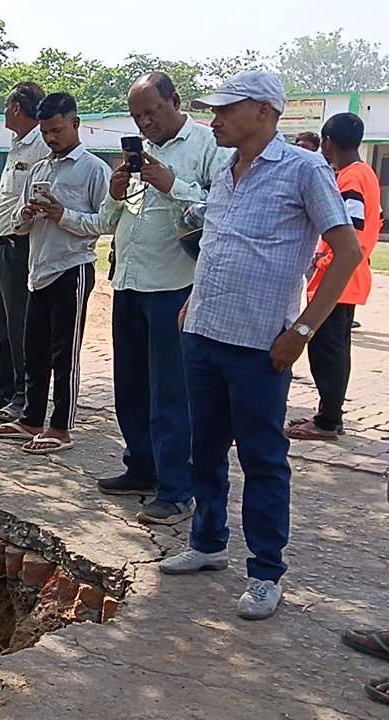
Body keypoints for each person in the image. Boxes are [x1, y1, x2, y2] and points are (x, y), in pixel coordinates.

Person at [158, 71, 362, 621]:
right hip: (204, 332)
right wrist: (194, 300)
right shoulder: (225, 169)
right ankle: (207, 544)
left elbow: (347, 253)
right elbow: (220, 242)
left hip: (260, 345)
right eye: (213, 110)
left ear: (265, 111)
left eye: (226, 110)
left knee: (262, 459)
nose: (215, 120)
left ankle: (266, 572)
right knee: (204, 450)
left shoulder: (305, 169)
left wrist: (302, 332)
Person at [97, 72, 231, 525]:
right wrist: (115, 193)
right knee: (131, 385)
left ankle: (177, 490)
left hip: (175, 286)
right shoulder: (138, 155)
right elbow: (108, 220)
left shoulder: (208, 146)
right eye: (137, 116)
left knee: (172, 392)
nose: (145, 123)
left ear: (175, 100)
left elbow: (221, 209)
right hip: (130, 281)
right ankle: (142, 467)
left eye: (151, 112)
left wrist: (173, 184)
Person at [0, 92, 112, 454]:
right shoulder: (40, 168)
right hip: (38, 268)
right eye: (45, 132)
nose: (51, 138)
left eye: (57, 130)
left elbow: (107, 222)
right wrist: (25, 215)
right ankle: (31, 419)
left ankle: (60, 428)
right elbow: (17, 221)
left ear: (75, 123)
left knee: (64, 354)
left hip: (72, 268)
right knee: (35, 350)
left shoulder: (93, 169)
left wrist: (63, 215)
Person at [287, 113, 383, 440]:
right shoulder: (366, 174)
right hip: (351, 275)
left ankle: (327, 421)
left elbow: (351, 232)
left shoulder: (350, 178)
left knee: (326, 352)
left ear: (327, 142)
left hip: (337, 276)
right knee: (337, 350)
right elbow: (376, 221)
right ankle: (330, 414)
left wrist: (324, 259)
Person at [0, 82, 49, 425]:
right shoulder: (17, 144)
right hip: (3, 243)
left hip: (22, 245)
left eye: (7, 106)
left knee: (21, 324)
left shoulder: (40, 146)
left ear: (17, 108)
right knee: (4, 321)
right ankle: (4, 387)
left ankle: (23, 395)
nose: (4, 112)